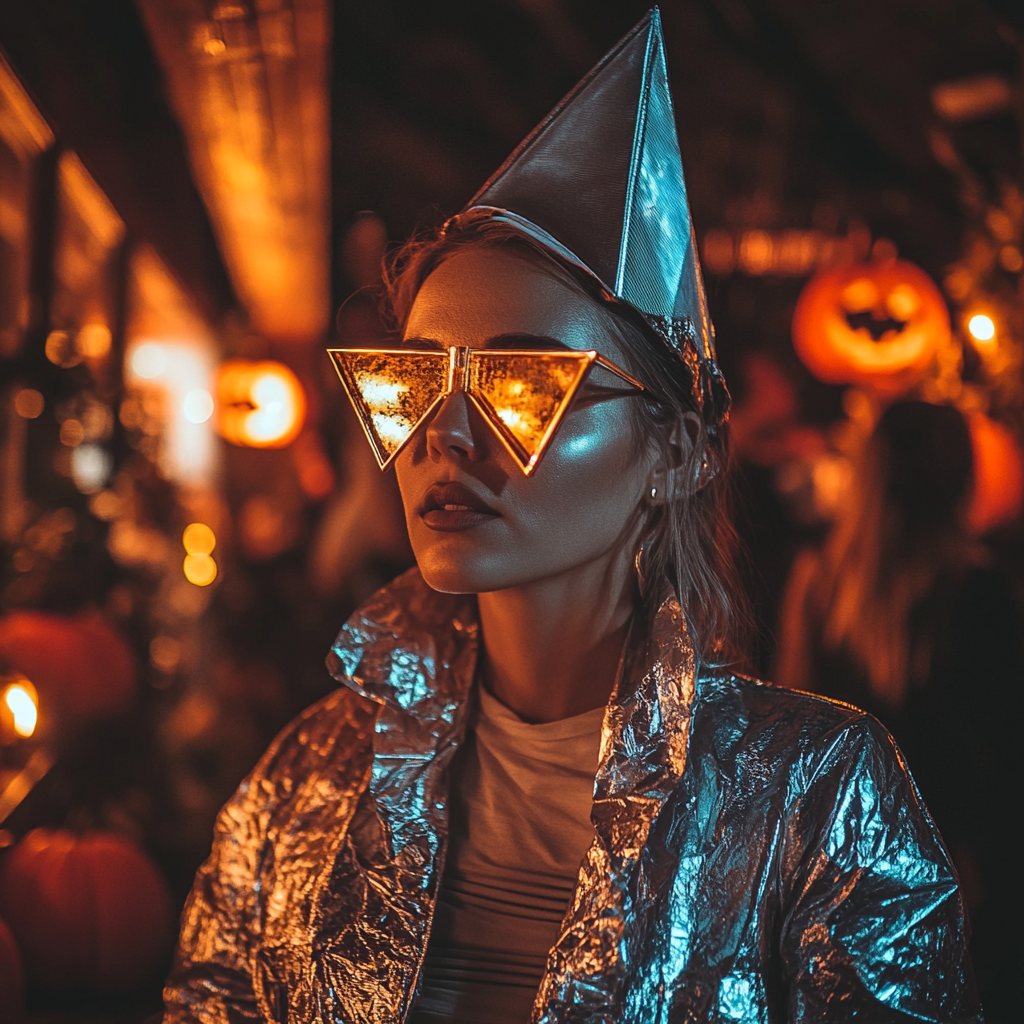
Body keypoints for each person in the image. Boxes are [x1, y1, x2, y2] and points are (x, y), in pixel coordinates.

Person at [164, 11, 979, 1022]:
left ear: (676, 453)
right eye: (413, 382)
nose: (443, 437)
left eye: (518, 385)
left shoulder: (817, 798)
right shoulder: (308, 775)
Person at [777, 399, 1021, 1021]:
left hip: (839, 875)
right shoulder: (983, 595)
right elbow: (999, 762)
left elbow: (794, 747)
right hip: (953, 873)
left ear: (872, 473)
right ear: (960, 476)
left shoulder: (817, 583)